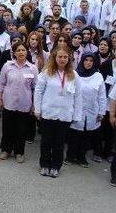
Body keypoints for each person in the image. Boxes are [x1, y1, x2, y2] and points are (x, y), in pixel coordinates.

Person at [34, 47, 83, 178]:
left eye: (65, 57)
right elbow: (38, 91)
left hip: (65, 114)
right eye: (60, 57)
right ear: (54, 58)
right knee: (46, 141)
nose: (62, 59)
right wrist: (37, 109)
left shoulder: (74, 75)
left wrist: (76, 115)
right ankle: (44, 164)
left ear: (69, 59)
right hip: (48, 112)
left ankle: (56, 166)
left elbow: (78, 96)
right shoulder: (46, 72)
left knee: (59, 143)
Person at [0, 42, 38, 163]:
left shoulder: (33, 68)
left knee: (21, 130)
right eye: (18, 50)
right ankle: (5, 150)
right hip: (9, 102)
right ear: (14, 53)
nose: (21, 52)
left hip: (24, 104)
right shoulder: (7, 66)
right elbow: (1, 83)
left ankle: (19, 152)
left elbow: (36, 88)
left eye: (23, 50)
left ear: (27, 52)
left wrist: (34, 105)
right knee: (7, 128)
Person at [66, 53, 106, 167]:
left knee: (86, 136)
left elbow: (102, 96)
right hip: (76, 110)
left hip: (92, 112)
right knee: (74, 135)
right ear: (82, 61)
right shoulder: (75, 74)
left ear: (94, 63)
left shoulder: (98, 76)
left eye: (91, 61)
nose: (88, 63)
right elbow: (70, 93)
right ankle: (70, 156)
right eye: (86, 60)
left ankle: (81, 157)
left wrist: (101, 112)